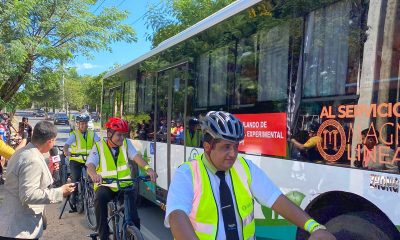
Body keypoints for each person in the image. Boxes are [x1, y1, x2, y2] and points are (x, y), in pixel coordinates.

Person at [165, 111, 336, 240]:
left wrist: (314, 227)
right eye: (226, 147)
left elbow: (276, 199)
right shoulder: (187, 173)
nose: (233, 154)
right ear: (208, 147)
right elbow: (176, 215)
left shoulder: (245, 168)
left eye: (236, 146)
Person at [0, 121, 76, 239]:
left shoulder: (23, 152)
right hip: (18, 229)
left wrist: (49, 174)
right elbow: (28, 195)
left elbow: (25, 180)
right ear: (50, 141)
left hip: (12, 225)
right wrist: (60, 192)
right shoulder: (32, 159)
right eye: (54, 140)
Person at [86, 117, 158, 240]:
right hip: (105, 186)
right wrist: (93, 174)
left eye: (124, 134)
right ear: (109, 134)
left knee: (133, 216)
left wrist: (148, 168)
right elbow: (90, 164)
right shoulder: (98, 147)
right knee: (100, 201)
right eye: (119, 135)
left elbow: (136, 157)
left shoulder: (126, 144)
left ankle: (132, 233)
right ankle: (103, 236)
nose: (122, 138)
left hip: (124, 185)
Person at [63, 114, 101, 212]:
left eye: (85, 123)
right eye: (82, 124)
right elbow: (66, 145)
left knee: (92, 178)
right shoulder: (74, 134)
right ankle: (73, 197)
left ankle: (91, 193)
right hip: (76, 160)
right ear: (78, 124)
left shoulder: (92, 134)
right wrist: (66, 151)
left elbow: (100, 144)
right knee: (75, 180)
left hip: (88, 161)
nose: (84, 125)